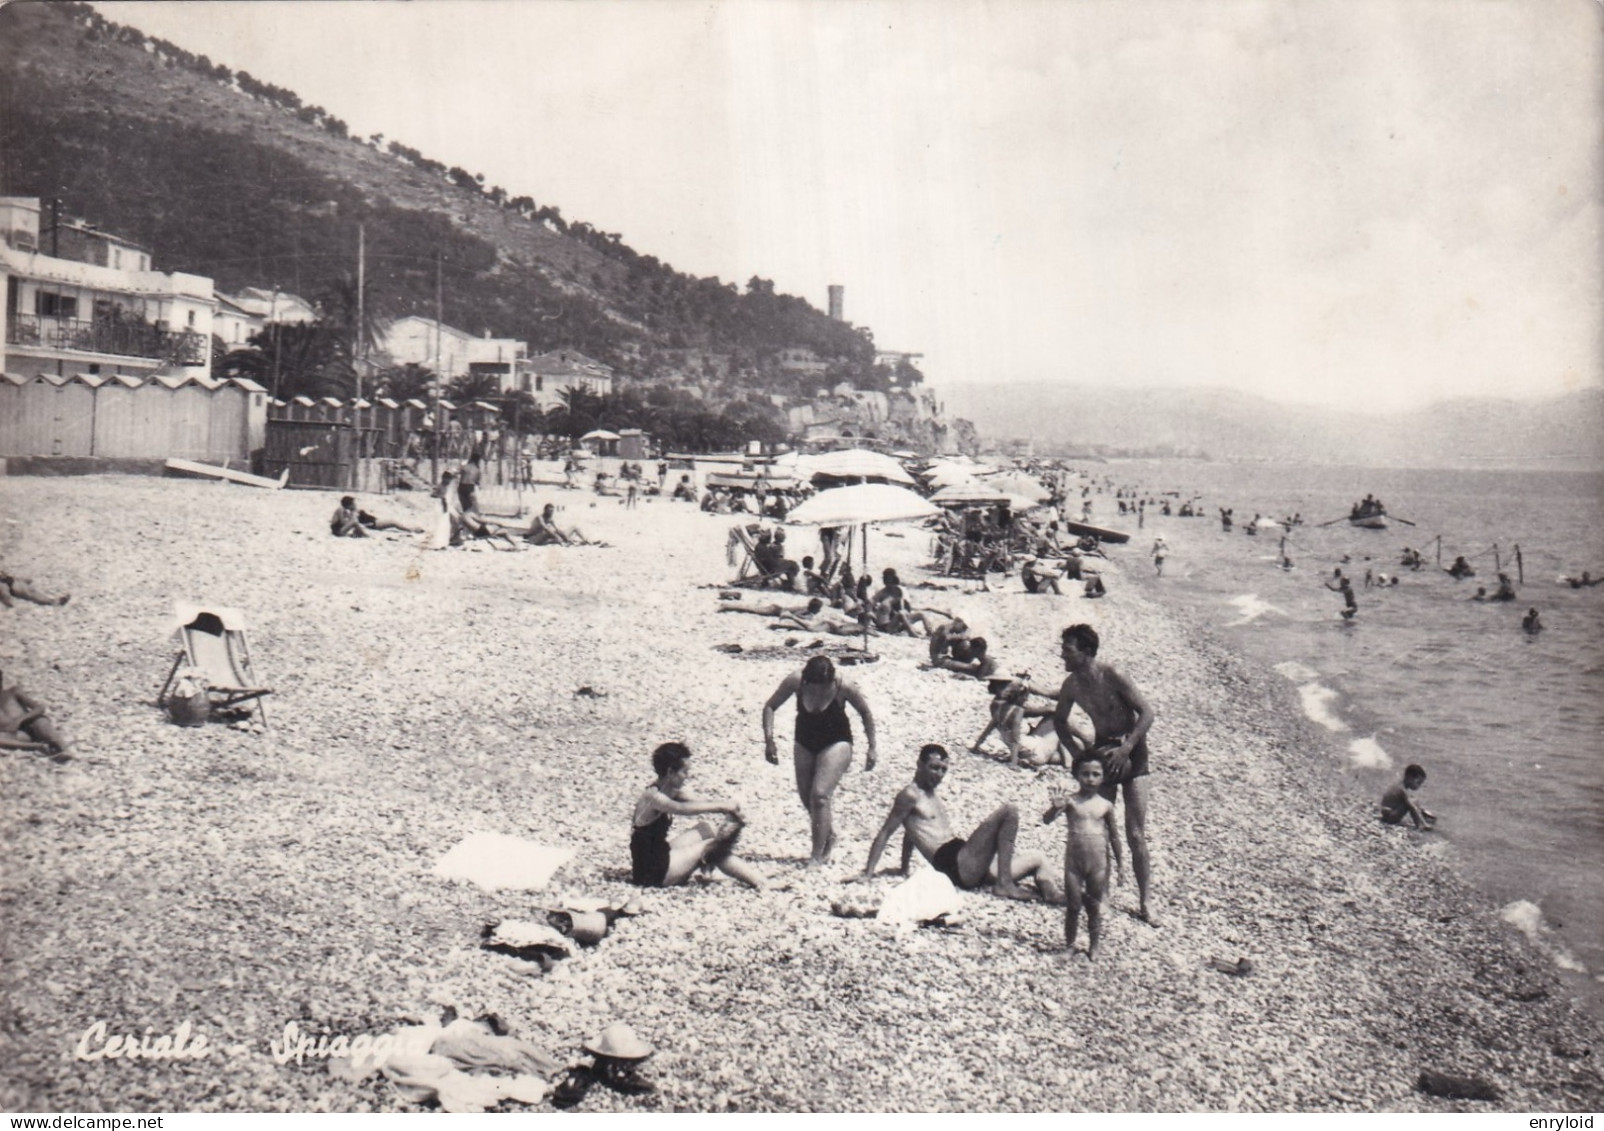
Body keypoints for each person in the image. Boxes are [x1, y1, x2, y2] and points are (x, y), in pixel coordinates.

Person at [856, 743, 1062, 903]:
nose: (939, 774)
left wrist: (904, 867)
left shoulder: (930, 795)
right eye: (934, 767)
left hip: (969, 862)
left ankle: (1051, 894)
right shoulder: (910, 794)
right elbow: (886, 832)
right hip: (955, 865)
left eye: (943, 769)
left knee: (1038, 858)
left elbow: (911, 832)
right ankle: (1005, 884)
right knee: (1009, 811)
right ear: (919, 764)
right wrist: (868, 873)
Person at [1054, 624, 1157, 925]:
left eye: (1068, 649)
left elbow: (1147, 713)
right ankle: (1104, 897)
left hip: (1133, 752)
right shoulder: (1071, 685)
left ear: (1086, 652)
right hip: (1101, 754)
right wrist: (1078, 756)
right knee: (1101, 830)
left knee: (1135, 833)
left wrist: (1127, 747)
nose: (1062, 654)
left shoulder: (1112, 674)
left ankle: (1146, 901)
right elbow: (1060, 721)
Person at [762, 656, 877, 866]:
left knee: (820, 796)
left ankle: (816, 855)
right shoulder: (795, 681)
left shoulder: (844, 686)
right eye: (813, 687)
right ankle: (829, 835)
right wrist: (769, 740)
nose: (817, 691)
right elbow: (770, 706)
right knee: (807, 798)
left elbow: (865, 713)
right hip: (805, 740)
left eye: (822, 687)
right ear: (806, 681)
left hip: (837, 741)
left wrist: (872, 747)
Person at [630, 742, 766, 889]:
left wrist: (729, 809)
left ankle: (707, 868)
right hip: (652, 872)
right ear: (670, 772)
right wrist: (722, 806)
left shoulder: (669, 790)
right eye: (684, 772)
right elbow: (682, 808)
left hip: (660, 853)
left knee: (706, 829)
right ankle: (761, 882)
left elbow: (701, 802)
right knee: (711, 848)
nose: (687, 776)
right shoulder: (653, 796)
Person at [1044, 757, 1123, 957]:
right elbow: (1046, 820)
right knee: (1073, 906)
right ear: (1076, 775)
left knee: (1094, 907)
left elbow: (1114, 835)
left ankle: (1094, 946)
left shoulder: (1105, 805)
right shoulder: (1070, 801)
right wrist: (1054, 807)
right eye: (1085, 774)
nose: (1090, 779)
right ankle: (1069, 945)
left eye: (1096, 774)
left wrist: (1121, 864)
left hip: (1098, 864)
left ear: (1103, 777)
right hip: (1074, 864)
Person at [0, 678, 70, 761]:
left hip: (32, 728)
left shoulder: (13, 692)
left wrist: (19, 721)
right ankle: (36, 747)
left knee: (40, 720)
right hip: (16, 736)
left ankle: (63, 749)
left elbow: (39, 708)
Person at [330, 496, 423, 537]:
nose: (355, 504)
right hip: (373, 523)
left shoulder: (350, 512)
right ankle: (411, 529)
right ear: (350, 505)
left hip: (372, 521)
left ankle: (411, 528)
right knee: (393, 522)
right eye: (354, 503)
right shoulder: (348, 512)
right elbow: (350, 523)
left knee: (393, 523)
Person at [1380, 764, 1435, 830]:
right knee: (1412, 802)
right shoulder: (1402, 789)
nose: (1419, 786)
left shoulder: (1399, 785)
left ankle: (1422, 821)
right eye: (1418, 783)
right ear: (1409, 778)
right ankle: (1420, 824)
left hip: (1387, 815)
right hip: (1390, 818)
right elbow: (1411, 806)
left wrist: (1420, 810)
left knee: (1412, 801)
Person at [525, 503, 595, 546]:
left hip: (547, 536)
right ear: (545, 510)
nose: (551, 513)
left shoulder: (550, 518)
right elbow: (546, 529)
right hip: (534, 538)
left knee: (574, 527)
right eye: (549, 511)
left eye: (552, 511)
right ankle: (566, 541)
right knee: (549, 532)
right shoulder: (540, 517)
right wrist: (557, 537)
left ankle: (584, 540)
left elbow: (556, 529)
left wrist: (563, 536)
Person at [0, 569, 70, 608]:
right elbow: (5, 594)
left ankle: (54, 601)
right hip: (14, 587)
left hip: (14, 583)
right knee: (33, 594)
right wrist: (8, 603)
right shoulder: (3, 585)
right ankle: (55, 602)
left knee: (33, 592)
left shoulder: (7, 580)